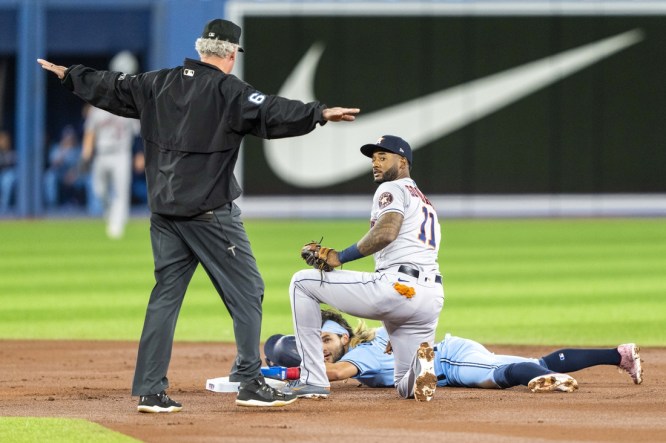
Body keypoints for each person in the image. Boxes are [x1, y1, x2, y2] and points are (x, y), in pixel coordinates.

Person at [37, 18, 359, 412]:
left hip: (165, 212)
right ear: (230, 55)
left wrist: (72, 75)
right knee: (248, 290)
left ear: (202, 47)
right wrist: (319, 113)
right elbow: (273, 111)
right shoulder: (229, 91)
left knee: (165, 299)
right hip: (209, 213)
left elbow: (112, 87)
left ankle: (151, 391)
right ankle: (248, 379)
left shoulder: (157, 82)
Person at [284, 135, 444, 401]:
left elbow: (387, 232)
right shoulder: (425, 201)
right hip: (430, 297)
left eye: (383, 157)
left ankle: (312, 379)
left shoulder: (392, 188)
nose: (376, 163)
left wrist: (339, 256)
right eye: (374, 159)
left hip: (397, 287)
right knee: (405, 387)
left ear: (403, 161)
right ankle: (420, 368)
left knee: (301, 283)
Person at [266, 309, 644, 392]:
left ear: (345, 338)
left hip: (446, 358)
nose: (322, 350)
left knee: (500, 377)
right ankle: (619, 354)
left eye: (326, 341)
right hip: (443, 357)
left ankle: (550, 378)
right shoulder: (374, 335)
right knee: (532, 363)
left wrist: (278, 374)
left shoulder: (358, 354)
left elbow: (331, 376)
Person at [82, 99, 140, 239]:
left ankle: (117, 225)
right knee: (99, 190)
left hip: (122, 153)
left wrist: (139, 153)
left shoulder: (126, 108)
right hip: (101, 154)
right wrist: (86, 154)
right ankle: (110, 213)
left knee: (121, 192)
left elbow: (138, 133)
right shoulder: (97, 110)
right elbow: (90, 133)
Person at [43, 125, 89, 209]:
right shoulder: (57, 148)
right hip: (60, 176)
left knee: (87, 178)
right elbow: (54, 164)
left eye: (70, 137)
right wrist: (63, 151)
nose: (69, 139)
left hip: (76, 176)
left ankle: (87, 207)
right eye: (66, 137)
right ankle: (52, 206)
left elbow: (83, 165)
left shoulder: (78, 149)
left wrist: (74, 174)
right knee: (50, 177)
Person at [0, 130, 17, 214]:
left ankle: (4, 208)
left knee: (7, 179)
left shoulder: (13, 152)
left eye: (4, 140)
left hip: (11, 175)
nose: (2, 142)